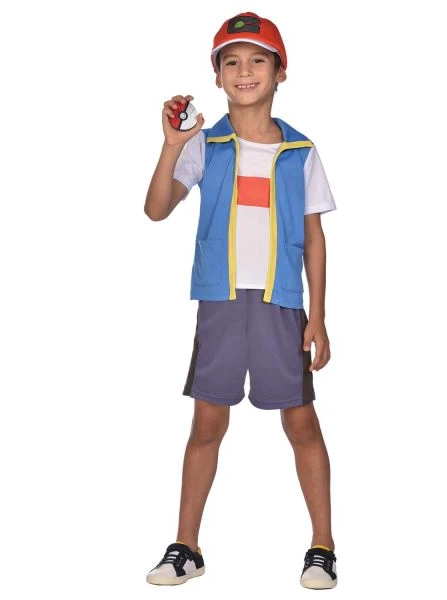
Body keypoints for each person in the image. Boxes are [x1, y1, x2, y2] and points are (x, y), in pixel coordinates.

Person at [143, 11, 338, 590]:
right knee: (206, 422)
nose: (244, 71)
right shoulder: (206, 146)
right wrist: (171, 146)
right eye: (232, 61)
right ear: (217, 75)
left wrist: (318, 317)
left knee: (300, 422)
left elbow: (315, 239)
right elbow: (156, 209)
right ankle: (186, 546)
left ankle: (323, 546)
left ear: (280, 73)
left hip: (282, 304)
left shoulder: (301, 151)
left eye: (257, 60)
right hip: (220, 302)